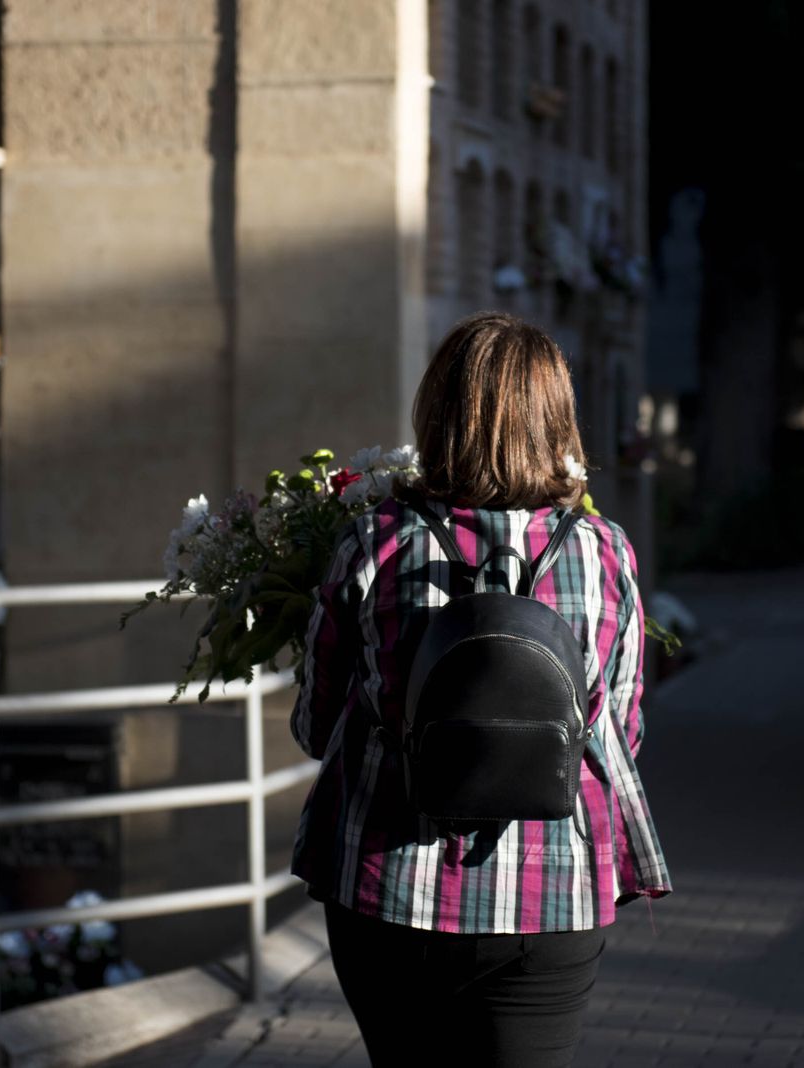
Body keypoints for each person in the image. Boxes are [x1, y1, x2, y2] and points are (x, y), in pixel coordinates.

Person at [290, 312, 671, 1066]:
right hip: (553, 894)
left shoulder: (378, 540)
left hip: (389, 888)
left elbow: (317, 721)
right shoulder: (603, 552)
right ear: (556, 420)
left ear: (438, 412)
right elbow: (618, 734)